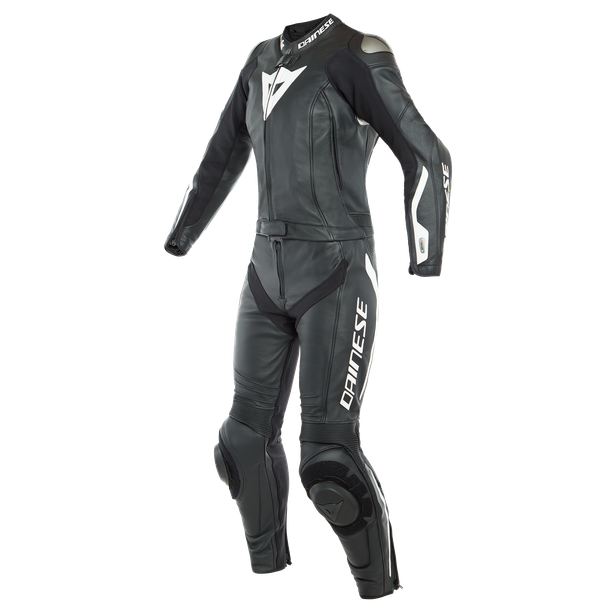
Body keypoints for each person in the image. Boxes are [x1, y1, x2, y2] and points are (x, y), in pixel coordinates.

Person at [162, 13, 453, 600]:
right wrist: (180, 236)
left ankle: (379, 589)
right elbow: (220, 157)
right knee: (242, 444)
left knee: (329, 463)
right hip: (265, 271)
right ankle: (269, 575)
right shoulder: (260, 60)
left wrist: (423, 260)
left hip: (336, 272)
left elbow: (425, 154)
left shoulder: (354, 52)